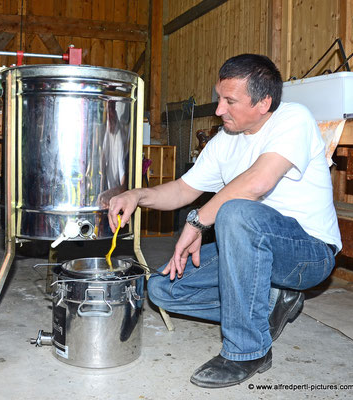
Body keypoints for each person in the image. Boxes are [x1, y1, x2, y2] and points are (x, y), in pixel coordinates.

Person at [107, 54, 341, 389]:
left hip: (308, 253)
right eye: (220, 97)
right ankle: (271, 303)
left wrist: (199, 221)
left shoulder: (293, 119)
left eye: (230, 101)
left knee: (234, 211)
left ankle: (247, 350)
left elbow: (256, 184)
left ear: (264, 102)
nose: (219, 110)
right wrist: (137, 195)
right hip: (251, 247)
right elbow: (182, 189)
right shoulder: (224, 142)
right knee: (161, 289)